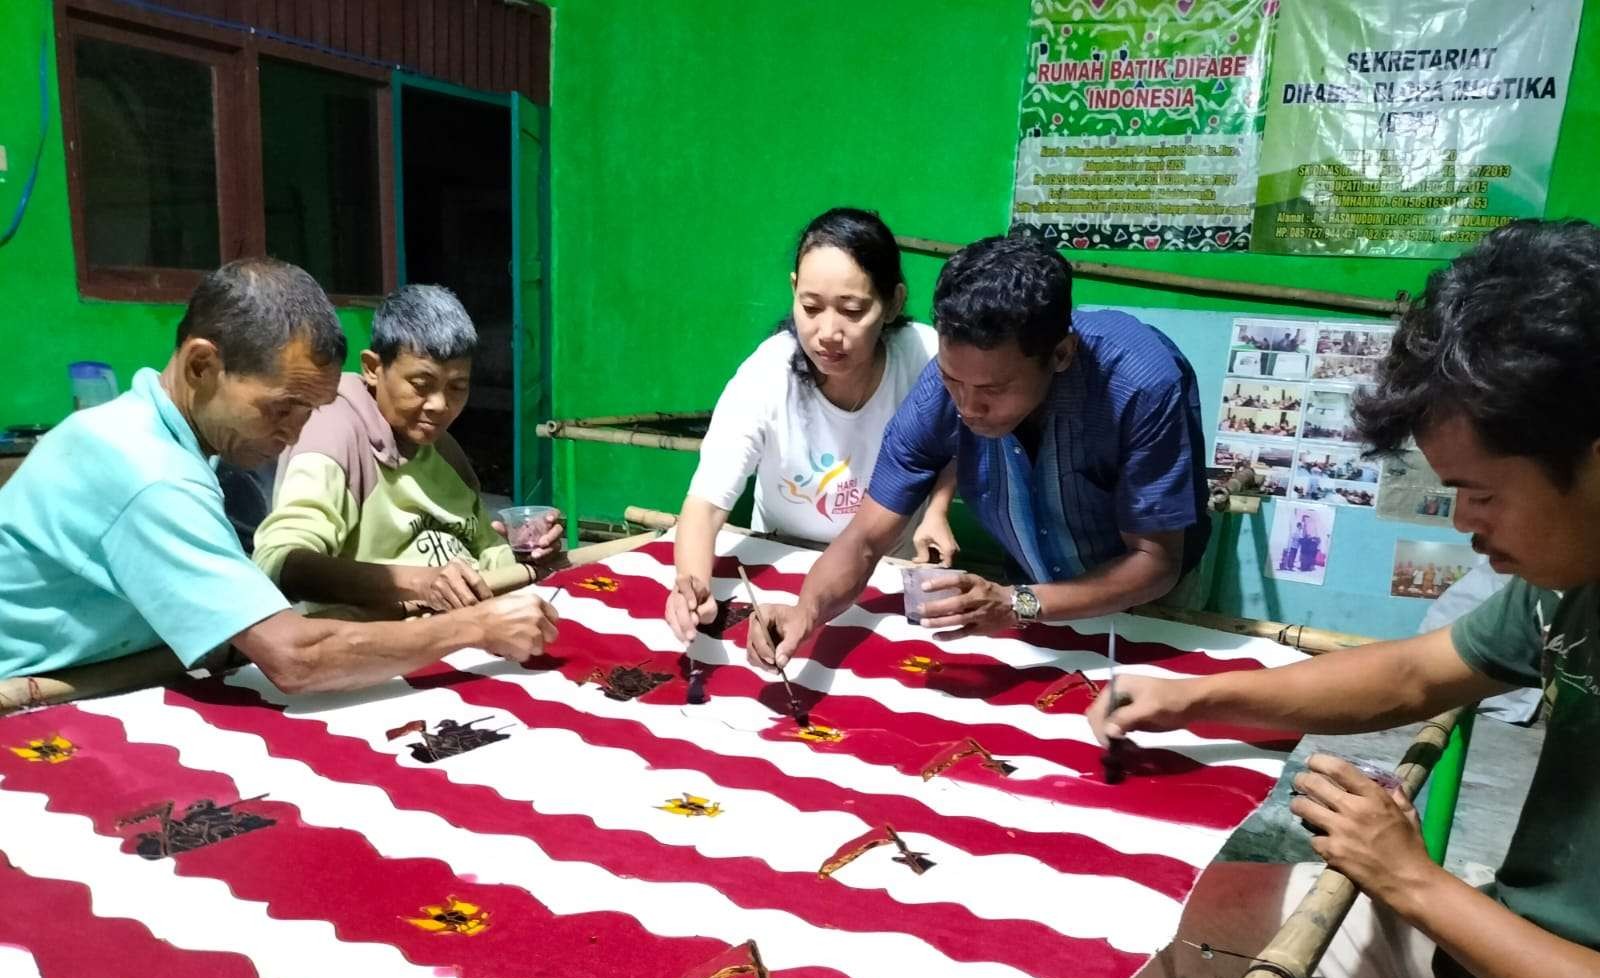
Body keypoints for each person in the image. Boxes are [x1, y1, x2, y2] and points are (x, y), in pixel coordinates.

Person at [1013, 219, 1600, 978]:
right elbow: (1415, 675)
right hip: (1513, 946)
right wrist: (1200, 695)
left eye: (1480, 494)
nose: (1463, 525)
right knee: (1204, 921)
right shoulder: (1570, 572)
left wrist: (1413, 885)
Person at [0, 259, 557, 692]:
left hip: (112, 675)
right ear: (201, 366)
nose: (292, 436)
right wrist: (476, 628)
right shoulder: (150, 473)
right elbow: (295, 657)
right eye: (281, 409)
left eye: (306, 413)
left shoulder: (157, 434)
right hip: (36, 705)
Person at [748, 234, 1208, 668]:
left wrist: (1016, 602)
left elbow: (1155, 563)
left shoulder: (1141, 385)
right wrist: (805, 613)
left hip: (1149, 603)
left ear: (1062, 354)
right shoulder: (939, 395)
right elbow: (866, 538)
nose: (968, 407)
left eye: (994, 388)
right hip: (1030, 592)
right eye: (954, 379)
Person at [665, 207, 951, 642]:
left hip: (886, 572)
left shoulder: (925, 358)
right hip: (781, 558)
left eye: (853, 310)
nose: (827, 333)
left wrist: (938, 509)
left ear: (893, 302)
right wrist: (691, 585)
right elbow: (705, 502)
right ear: (794, 290)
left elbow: (964, 433)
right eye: (811, 307)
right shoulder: (768, 373)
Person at [252, 284, 563, 611]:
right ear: (373, 369)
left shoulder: (443, 448)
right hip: (387, 644)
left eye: (457, 387)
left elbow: (485, 551)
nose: (440, 405)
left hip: (470, 627)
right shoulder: (334, 432)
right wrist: (421, 583)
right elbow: (280, 562)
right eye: (421, 385)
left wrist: (525, 550)